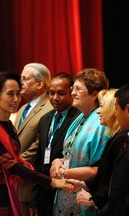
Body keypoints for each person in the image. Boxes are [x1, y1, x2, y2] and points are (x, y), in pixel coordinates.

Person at [0, 71, 73, 216]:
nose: (16, 99)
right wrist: (51, 181)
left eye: (18, 94)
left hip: (7, 193)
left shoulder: (8, 125)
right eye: (10, 94)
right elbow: (12, 165)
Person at [50, 68, 111, 216]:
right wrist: (57, 162)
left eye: (78, 89)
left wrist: (64, 172)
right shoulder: (80, 118)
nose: (72, 93)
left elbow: (99, 170)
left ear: (94, 93)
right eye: (72, 89)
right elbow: (69, 154)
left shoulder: (101, 124)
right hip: (66, 196)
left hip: (84, 199)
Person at [30, 72, 80, 216]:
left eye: (61, 93)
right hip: (45, 190)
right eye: (51, 93)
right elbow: (39, 161)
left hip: (68, 189)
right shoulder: (45, 119)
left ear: (71, 92)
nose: (55, 98)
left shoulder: (78, 118)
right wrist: (35, 198)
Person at [65, 88, 121, 214]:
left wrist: (94, 200)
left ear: (113, 109)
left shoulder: (121, 139)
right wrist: (84, 185)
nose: (98, 111)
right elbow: (106, 177)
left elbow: (117, 182)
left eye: (102, 106)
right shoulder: (115, 137)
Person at [13, 63, 53, 216]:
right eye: (20, 78)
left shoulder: (49, 107)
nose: (20, 82)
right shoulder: (22, 108)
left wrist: (13, 165)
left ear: (39, 83)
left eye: (25, 78)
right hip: (17, 181)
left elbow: (39, 145)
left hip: (31, 183)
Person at [101, 84, 129, 215]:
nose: (116, 113)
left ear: (127, 109)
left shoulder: (121, 138)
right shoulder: (124, 137)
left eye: (116, 109)